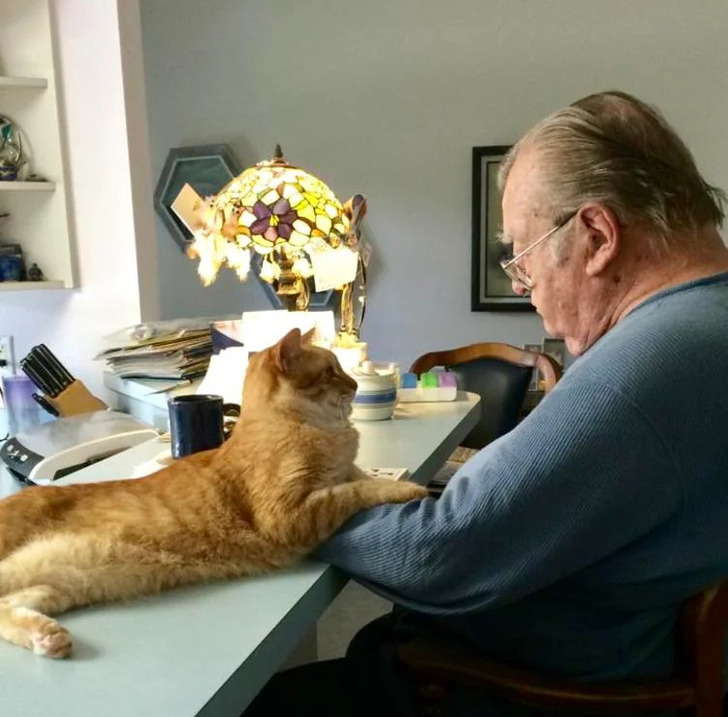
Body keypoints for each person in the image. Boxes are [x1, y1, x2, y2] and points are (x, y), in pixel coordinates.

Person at [243, 90, 728, 716]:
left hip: (533, 688)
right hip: (611, 650)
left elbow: (435, 555)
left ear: (598, 236)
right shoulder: (705, 322)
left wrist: (278, 499)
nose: (528, 294)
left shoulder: (654, 360)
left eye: (523, 260)